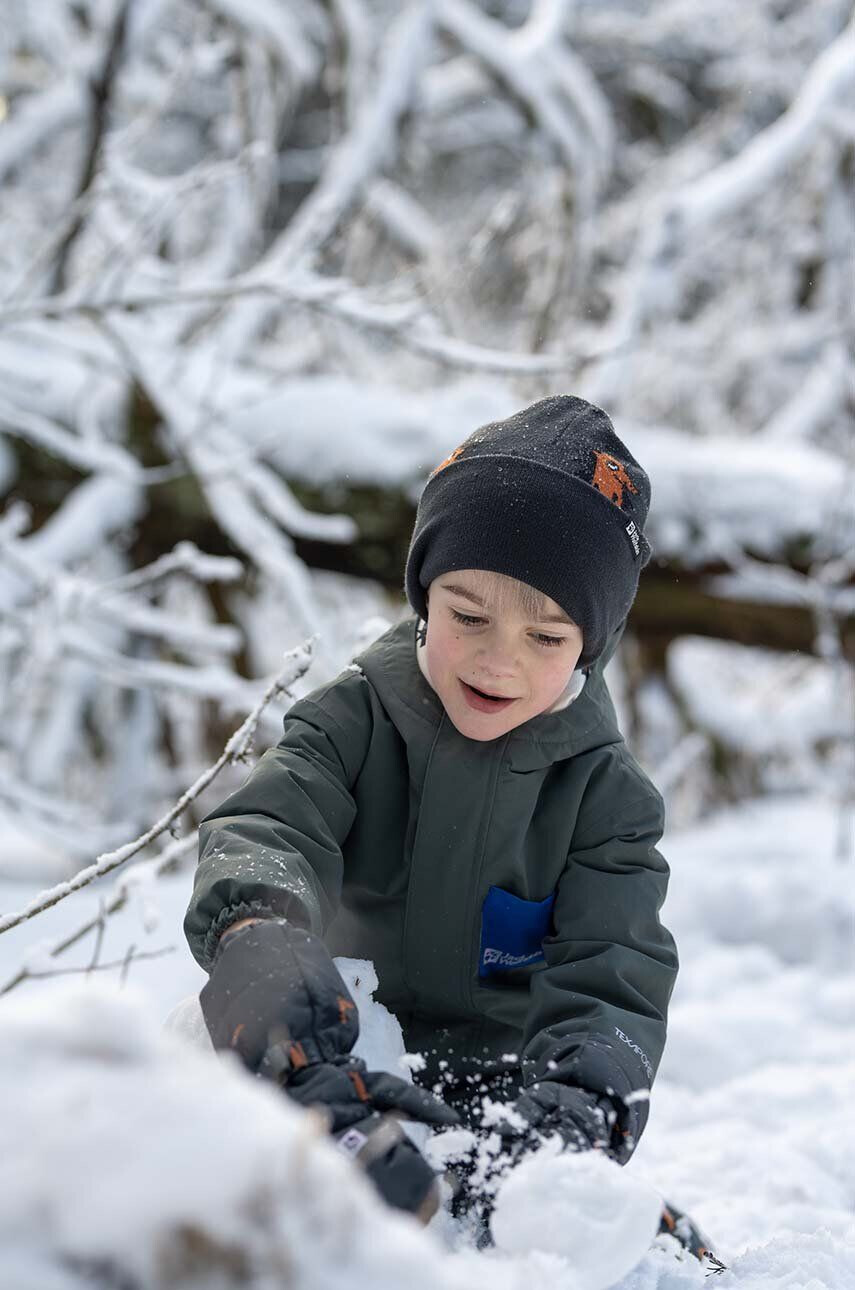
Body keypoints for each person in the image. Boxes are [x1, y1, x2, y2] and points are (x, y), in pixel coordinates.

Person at [184, 394, 679, 1226]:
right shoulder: (350, 723)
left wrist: (577, 1105)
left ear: (589, 649)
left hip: (497, 1098)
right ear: (423, 595)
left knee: (583, 1241)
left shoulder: (605, 800)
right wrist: (263, 948)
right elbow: (267, 834)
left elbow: (612, 972)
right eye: (469, 616)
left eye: (546, 638)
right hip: (321, 1046)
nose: (498, 659)